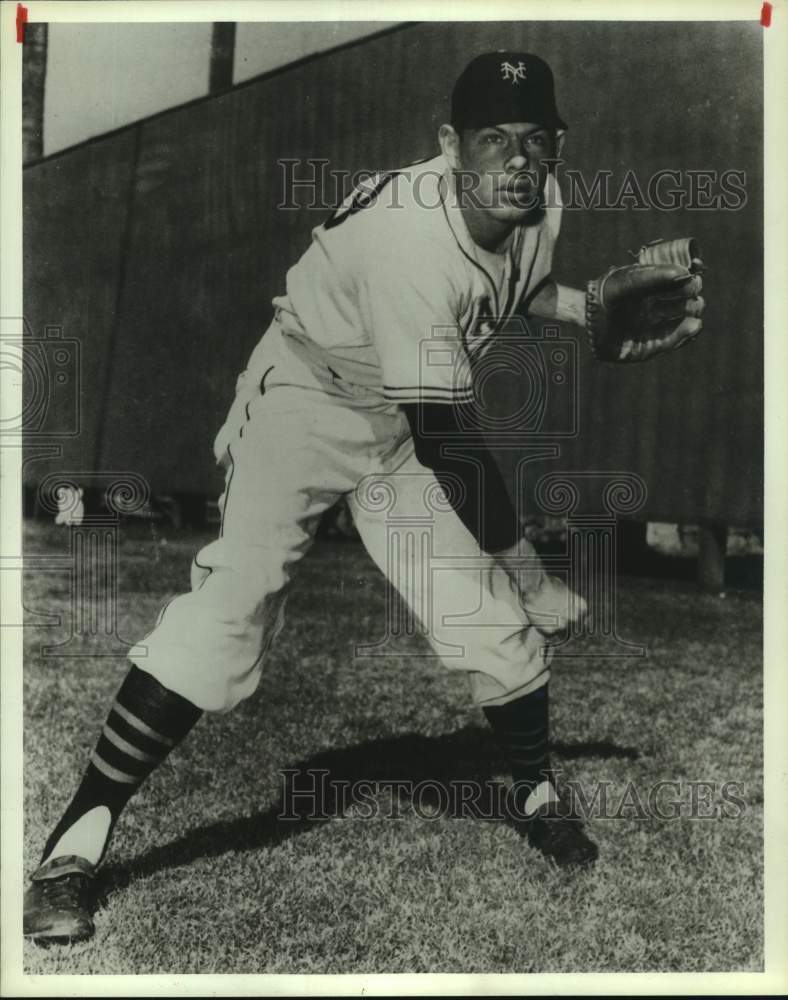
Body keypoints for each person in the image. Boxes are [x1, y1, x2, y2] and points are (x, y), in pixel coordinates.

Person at [25, 50, 618, 944]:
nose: (518, 161)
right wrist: (533, 570)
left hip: (401, 413)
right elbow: (450, 441)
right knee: (236, 597)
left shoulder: (542, 202)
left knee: (482, 613)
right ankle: (73, 846)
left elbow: (511, 283)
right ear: (450, 145)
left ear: (558, 145)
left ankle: (535, 789)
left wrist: (583, 310)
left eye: (537, 140)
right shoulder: (409, 238)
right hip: (307, 397)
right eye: (494, 140)